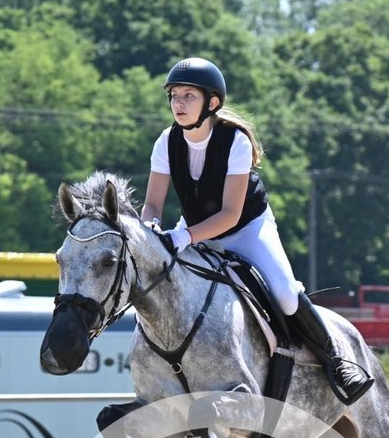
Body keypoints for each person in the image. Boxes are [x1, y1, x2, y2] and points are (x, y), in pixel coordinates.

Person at [139, 57, 374, 405]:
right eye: (174, 95)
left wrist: (184, 237)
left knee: (285, 294)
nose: (179, 103)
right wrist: (150, 228)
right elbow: (152, 205)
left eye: (189, 95)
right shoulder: (166, 141)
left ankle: (337, 363)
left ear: (212, 102)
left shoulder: (235, 141)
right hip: (194, 227)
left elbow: (230, 214)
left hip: (245, 227)